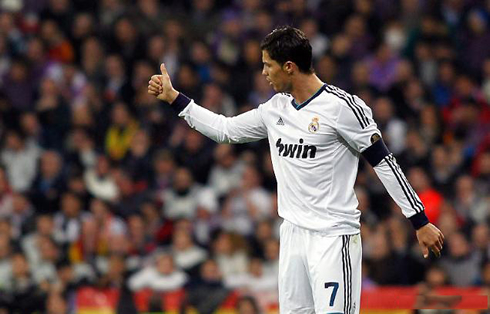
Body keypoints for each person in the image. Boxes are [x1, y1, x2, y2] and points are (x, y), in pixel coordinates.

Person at [148, 26, 444, 314]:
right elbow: (225, 129)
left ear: (289, 67)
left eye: (268, 65)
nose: (263, 73)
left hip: (332, 236)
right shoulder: (275, 109)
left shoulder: (342, 107)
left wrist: (419, 221)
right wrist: (176, 99)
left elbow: (383, 162)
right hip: (292, 236)